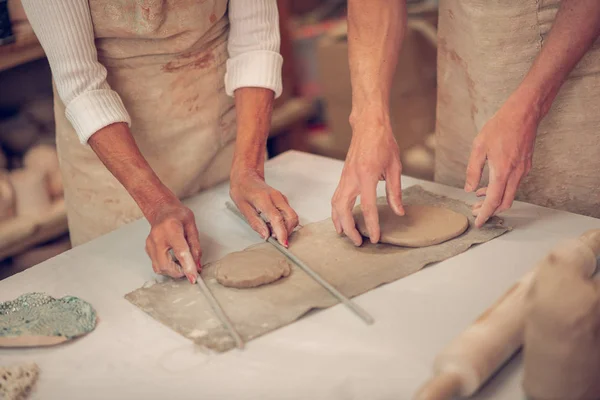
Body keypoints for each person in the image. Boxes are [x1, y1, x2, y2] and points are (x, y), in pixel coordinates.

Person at [21, 0, 299, 284]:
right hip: (112, 163)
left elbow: (255, 41)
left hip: (219, 129)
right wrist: (156, 204)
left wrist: (248, 168)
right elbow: (81, 84)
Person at [333, 0, 600, 246]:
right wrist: (369, 119)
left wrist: (532, 105)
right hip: (467, 57)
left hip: (568, 58)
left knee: (568, 251)